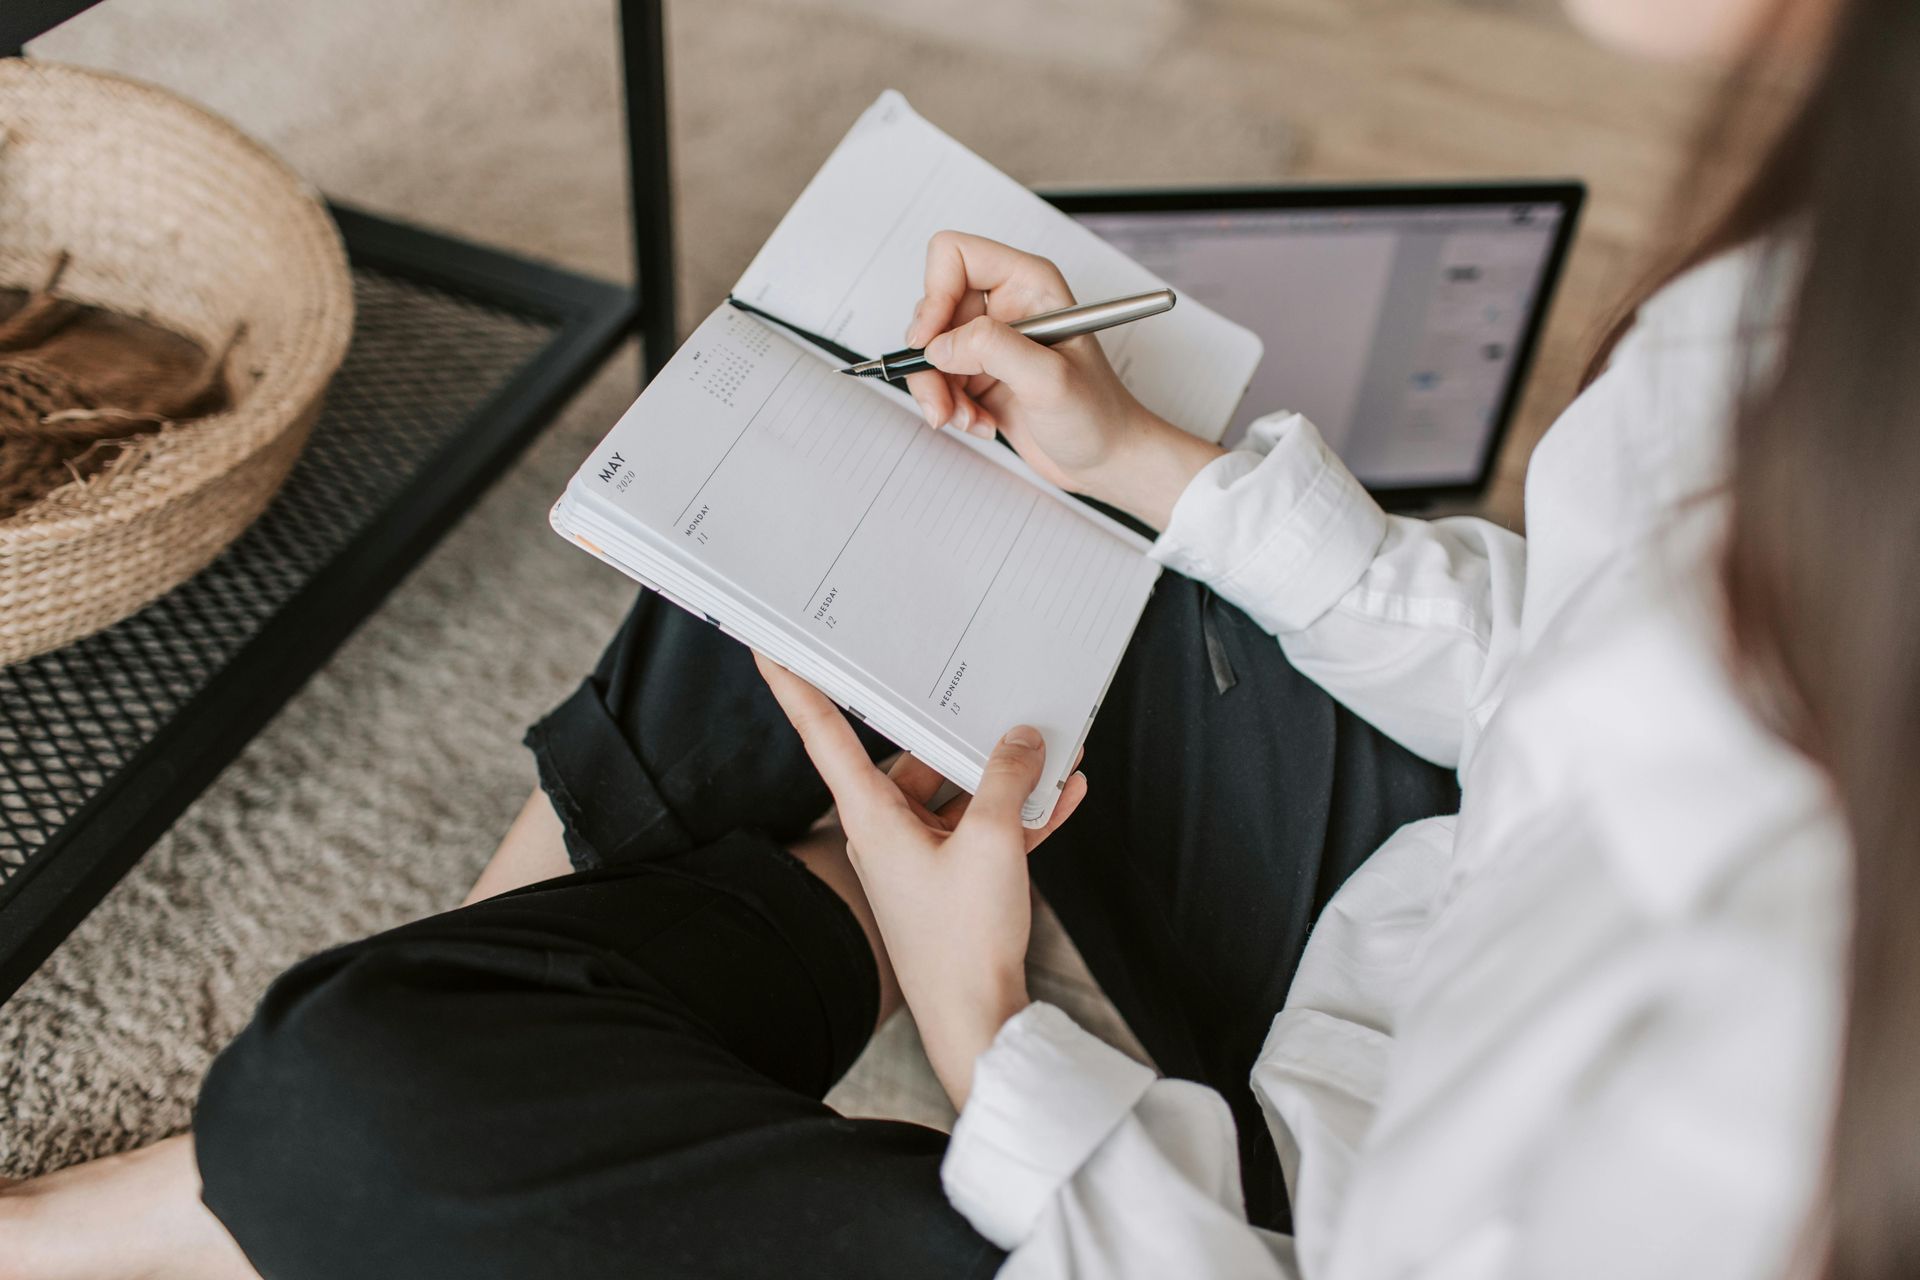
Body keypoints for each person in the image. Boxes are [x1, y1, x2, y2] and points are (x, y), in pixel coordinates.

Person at [4, 0, 1914, 1273]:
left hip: (1292, 1229)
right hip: (1439, 903)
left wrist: (984, 1021)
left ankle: (233, 1177)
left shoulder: (1796, 1076)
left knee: (335, 1111)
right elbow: (1574, 667)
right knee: (889, 478)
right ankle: (455, 1025)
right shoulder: (1828, 266)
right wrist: (1159, 470)